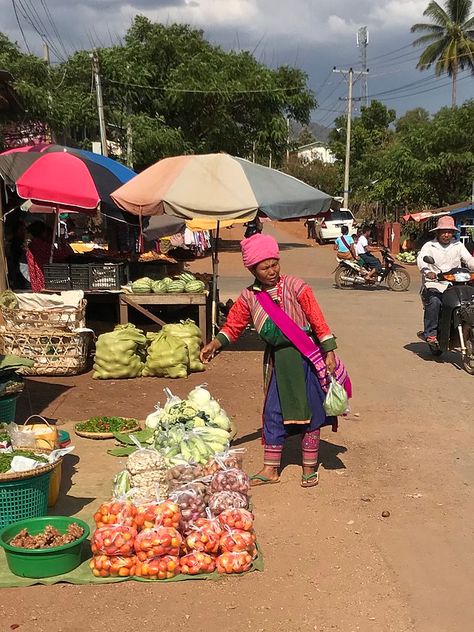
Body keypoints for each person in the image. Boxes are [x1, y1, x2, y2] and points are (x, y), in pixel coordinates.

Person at [200, 233, 351, 489]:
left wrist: (329, 350)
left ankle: (309, 467)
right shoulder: (249, 297)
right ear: (252, 269)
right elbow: (233, 326)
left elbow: (317, 319)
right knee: (273, 413)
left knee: (312, 412)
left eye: (274, 264)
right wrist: (215, 344)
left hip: (306, 358)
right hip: (277, 363)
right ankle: (271, 469)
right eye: (264, 267)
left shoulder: (295, 286)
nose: (271, 271)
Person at [416, 216, 474, 344]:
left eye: (449, 232)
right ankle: (431, 333)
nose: (446, 235)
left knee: (470, 302)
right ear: (437, 232)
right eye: (443, 231)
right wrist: (428, 271)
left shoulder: (458, 245)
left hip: (455, 284)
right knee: (435, 302)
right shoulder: (430, 246)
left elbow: (469, 260)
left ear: (453, 233)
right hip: (435, 283)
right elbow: (421, 260)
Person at [26, 220, 73, 292]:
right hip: (41, 276)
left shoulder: (34, 244)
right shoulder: (39, 244)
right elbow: (60, 254)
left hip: (37, 276)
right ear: (41, 232)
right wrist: (63, 242)